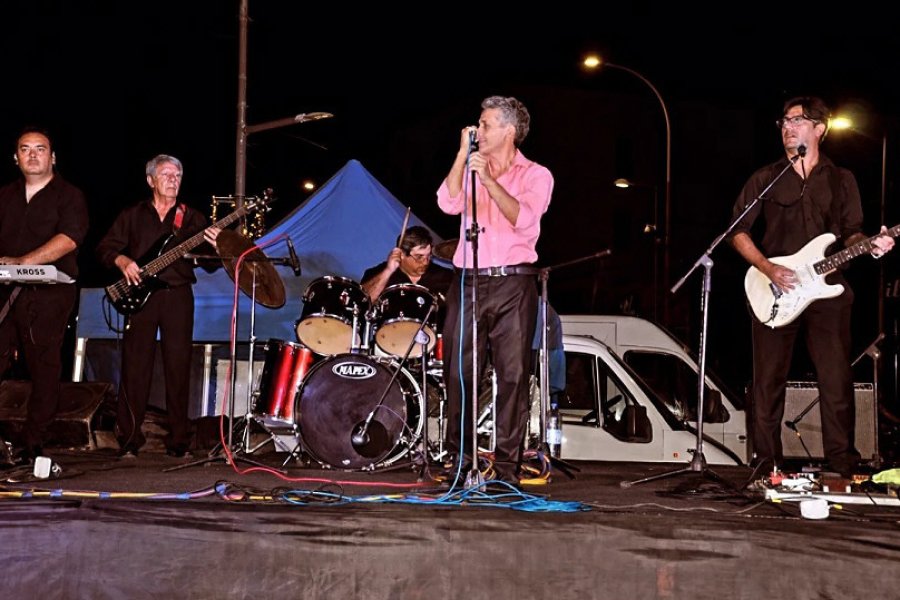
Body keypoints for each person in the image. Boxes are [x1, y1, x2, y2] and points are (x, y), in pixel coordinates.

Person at [730, 96, 894, 477]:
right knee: (768, 381)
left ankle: (842, 466)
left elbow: (852, 233)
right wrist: (767, 267)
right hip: (775, 287)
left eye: (797, 120)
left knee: (836, 378)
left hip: (827, 288)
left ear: (820, 128)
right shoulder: (767, 177)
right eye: (784, 122)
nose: (787, 127)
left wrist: (871, 245)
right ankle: (766, 465)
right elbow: (737, 231)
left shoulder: (841, 179)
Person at [437, 95, 554, 485]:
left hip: (513, 283)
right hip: (468, 279)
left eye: (485, 124)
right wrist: (462, 155)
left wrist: (489, 180)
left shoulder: (536, 174)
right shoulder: (470, 167)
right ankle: (459, 462)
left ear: (509, 131)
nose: (478, 130)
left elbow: (524, 218)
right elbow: (447, 203)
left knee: (512, 376)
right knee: (459, 373)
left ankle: (505, 470)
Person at [96, 154, 220, 458]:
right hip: (140, 295)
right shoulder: (133, 215)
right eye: (166, 175)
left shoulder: (192, 218)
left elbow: (210, 264)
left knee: (178, 366)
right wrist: (123, 260)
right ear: (151, 180)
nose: (173, 180)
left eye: (177, 175)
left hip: (178, 296)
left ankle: (179, 441)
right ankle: (129, 439)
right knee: (135, 366)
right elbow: (105, 248)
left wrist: (218, 245)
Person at [0, 126, 89, 463]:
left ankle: (33, 442)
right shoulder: (5, 196)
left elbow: (69, 238)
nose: (33, 155)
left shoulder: (69, 196)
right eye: (25, 149)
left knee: (43, 363)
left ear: (53, 157)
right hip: (6, 289)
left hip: (50, 291)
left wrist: (22, 262)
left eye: (40, 148)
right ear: (16, 158)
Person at [360, 225, 453, 302]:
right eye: (419, 257)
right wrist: (388, 271)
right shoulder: (376, 274)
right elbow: (362, 302)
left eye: (429, 255)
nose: (425, 262)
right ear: (402, 254)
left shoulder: (446, 277)